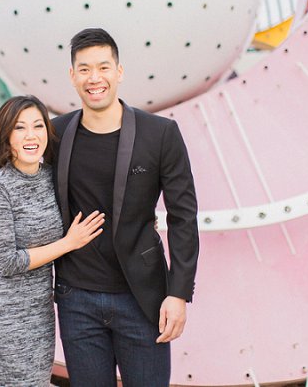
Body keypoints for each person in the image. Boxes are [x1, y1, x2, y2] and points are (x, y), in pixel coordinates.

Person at [52, 28, 199, 387]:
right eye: (84, 69)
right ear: (72, 77)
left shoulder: (160, 134)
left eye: (103, 67)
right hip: (76, 299)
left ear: (119, 72)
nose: (94, 78)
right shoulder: (55, 134)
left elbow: (183, 217)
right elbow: (16, 166)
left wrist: (178, 293)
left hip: (142, 298)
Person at [0, 95, 106, 387]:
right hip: (5, 313)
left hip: (40, 310)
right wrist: (69, 243)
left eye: (38, 126)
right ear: (6, 135)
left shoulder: (52, 177)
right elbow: (7, 262)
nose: (31, 135)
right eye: (20, 128)